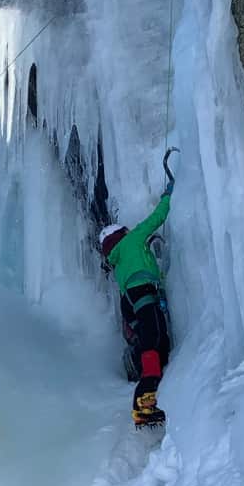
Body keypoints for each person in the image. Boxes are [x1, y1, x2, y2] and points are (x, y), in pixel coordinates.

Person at [99, 173, 174, 428]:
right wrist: (167, 196)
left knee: (155, 338)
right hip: (143, 292)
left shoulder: (117, 262)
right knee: (154, 338)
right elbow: (155, 219)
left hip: (132, 298)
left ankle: (150, 388)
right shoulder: (132, 240)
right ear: (123, 234)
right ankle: (145, 395)